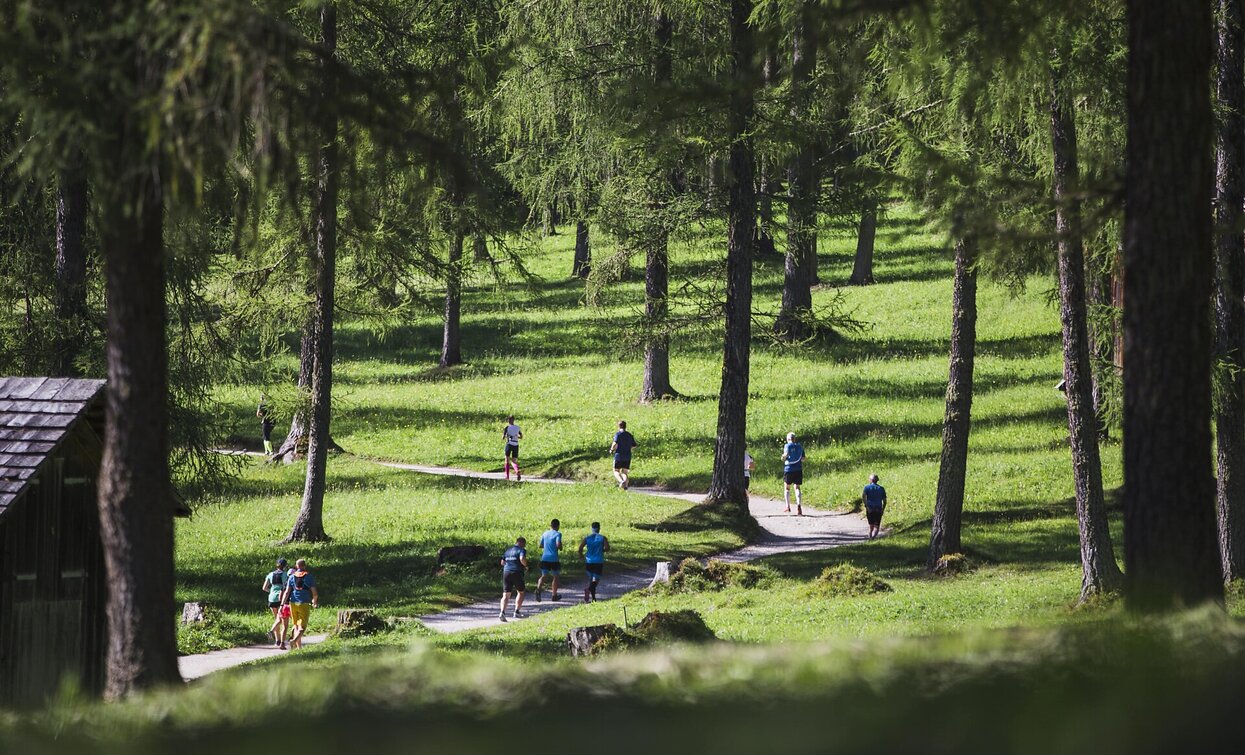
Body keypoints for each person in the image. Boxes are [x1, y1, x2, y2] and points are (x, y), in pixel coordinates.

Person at [279, 558, 318, 650]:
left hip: (293, 603)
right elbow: (315, 593)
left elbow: (287, 592)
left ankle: (299, 647)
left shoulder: (292, 577)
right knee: (302, 627)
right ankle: (294, 640)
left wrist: (282, 605)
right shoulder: (309, 577)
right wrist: (314, 601)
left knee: (297, 625)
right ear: (304, 566)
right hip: (303, 604)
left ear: (296, 566)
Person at [578, 522, 610, 603]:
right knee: (595, 580)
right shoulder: (602, 538)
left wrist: (581, 555)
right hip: (598, 561)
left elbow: (580, 548)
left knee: (591, 580)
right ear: (599, 528)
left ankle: (593, 598)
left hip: (589, 561)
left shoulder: (587, 538)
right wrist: (602, 550)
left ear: (592, 529)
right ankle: (588, 590)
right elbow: (607, 548)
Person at [499, 536, 529, 621]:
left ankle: (502, 612)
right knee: (521, 592)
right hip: (517, 572)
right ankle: (516, 612)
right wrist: (526, 565)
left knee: (506, 594)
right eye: (524, 544)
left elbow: (502, 562)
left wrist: (509, 565)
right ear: (522, 543)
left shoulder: (508, 550)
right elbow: (522, 558)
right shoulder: (521, 550)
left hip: (506, 572)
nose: (524, 546)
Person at [262, 557, 289, 649]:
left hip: (271, 598)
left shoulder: (270, 574)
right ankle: (272, 632)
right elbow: (285, 587)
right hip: (280, 598)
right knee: (281, 620)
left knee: (276, 619)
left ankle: (277, 641)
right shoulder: (285, 574)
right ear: (285, 566)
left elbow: (264, 588)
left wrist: (271, 591)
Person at [534, 519, 563, 602]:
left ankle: (538, 589)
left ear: (550, 525)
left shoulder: (545, 533)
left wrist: (547, 546)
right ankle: (554, 595)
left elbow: (541, 545)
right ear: (558, 526)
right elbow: (558, 544)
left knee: (544, 575)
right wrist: (560, 547)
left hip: (545, 558)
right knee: (556, 577)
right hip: (554, 558)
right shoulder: (558, 534)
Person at [781, 432, 804, 516]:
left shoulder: (787, 446)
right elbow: (803, 459)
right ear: (794, 439)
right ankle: (799, 506)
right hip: (798, 469)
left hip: (789, 469)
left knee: (787, 487)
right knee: (797, 487)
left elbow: (786, 455)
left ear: (788, 439)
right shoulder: (800, 446)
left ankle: (788, 506)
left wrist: (783, 458)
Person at [610, 420, 637, 490]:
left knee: (616, 471)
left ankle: (621, 481)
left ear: (619, 426)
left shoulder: (618, 434)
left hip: (619, 455)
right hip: (627, 456)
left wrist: (611, 450)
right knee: (624, 472)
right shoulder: (629, 435)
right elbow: (634, 445)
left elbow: (615, 443)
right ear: (625, 426)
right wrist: (628, 448)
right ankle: (625, 485)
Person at [863, 474, 887, 539]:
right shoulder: (881, 489)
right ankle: (873, 537)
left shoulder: (867, 488)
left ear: (871, 480)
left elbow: (864, 497)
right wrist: (883, 509)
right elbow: (885, 501)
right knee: (877, 525)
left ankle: (870, 534)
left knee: (871, 524)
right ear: (877, 480)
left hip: (870, 508)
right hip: (878, 509)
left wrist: (866, 506)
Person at [502, 415, 523, 481]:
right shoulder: (517, 427)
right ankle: (517, 470)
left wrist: (506, 436)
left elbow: (503, 437)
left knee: (507, 460)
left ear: (508, 420)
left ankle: (507, 476)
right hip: (516, 445)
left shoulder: (507, 427)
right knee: (514, 461)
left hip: (509, 444)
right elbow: (521, 436)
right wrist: (516, 437)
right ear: (514, 420)